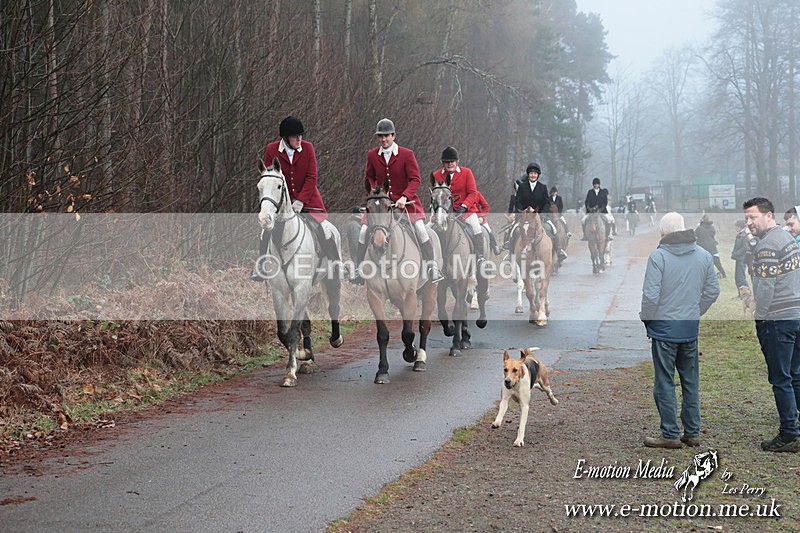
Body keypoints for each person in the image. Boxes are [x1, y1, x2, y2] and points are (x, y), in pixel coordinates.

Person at [640, 212, 720, 449]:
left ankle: (670, 433)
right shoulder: (704, 256)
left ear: (663, 232)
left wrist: (648, 320)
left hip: (664, 331)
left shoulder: (658, 257)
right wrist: (695, 313)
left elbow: (650, 297)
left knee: (664, 382)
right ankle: (692, 432)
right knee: (690, 381)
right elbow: (713, 292)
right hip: (689, 329)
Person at [351, 118, 443, 285]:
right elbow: (369, 177)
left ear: (394, 136)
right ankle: (358, 269)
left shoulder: (407, 154)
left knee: (421, 230)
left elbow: (415, 179)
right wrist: (375, 191)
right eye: (380, 136)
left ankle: (432, 267)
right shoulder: (372, 155)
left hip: (406, 204)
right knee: (364, 231)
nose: (383, 139)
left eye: (386, 136)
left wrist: (404, 196)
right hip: (381, 205)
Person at [251, 116, 341, 281]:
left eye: (301, 135)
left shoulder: (308, 148)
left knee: (325, 229)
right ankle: (262, 267)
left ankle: (336, 266)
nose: (299, 138)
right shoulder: (272, 150)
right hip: (281, 204)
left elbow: (311, 177)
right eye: (295, 136)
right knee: (265, 231)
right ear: (285, 137)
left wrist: (300, 200)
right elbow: (269, 177)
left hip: (308, 200)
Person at [743, 197, 800, 453]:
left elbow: (765, 288)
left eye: (753, 217)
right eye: (746, 218)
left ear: (768, 216)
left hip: (778, 319)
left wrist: (760, 316)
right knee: (796, 374)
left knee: (780, 378)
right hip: (796, 314)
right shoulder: (788, 238)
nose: (749, 222)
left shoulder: (767, 246)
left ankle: (789, 433)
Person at [430, 146, 487, 263]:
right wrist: (433, 212)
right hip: (444, 211)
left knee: (476, 228)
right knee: (427, 229)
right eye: (447, 162)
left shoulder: (467, 173)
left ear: (457, 162)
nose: (450, 164)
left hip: (466, 211)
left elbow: (473, 193)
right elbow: (435, 196)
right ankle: (431, 261)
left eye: (452, 161)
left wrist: (464, 206)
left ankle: (480, 258)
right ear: (443, 163)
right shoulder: (436, 175)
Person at [512, 162, 567, 262]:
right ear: (528, 174)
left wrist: (541, 213)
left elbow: (546, 203)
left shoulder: (543, 187)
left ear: (538, 175)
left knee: (553, 229)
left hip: (539, 216)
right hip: (525, 217)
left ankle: (559, 251)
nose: (533, 175)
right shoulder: (522, 187)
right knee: (514, 231)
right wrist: (523, 210)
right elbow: (517, 201)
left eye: (535, 173)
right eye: (531, 173)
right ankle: (510, 254)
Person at [695, 214, 726, 279]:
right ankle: (723, 274)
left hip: (703, 246)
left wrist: (698, 226)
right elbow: (713, 234)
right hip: (712, 246)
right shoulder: (712, 227)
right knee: (717, 262)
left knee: (703, 262)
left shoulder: (700, 227)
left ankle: (704, 275)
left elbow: (696, 234)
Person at [731, 220, 753, 289]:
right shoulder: (739, 235)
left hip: (742, 258)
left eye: (736, 226)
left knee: (741, 277)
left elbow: (745, 247)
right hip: (738, 258)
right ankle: (740, 294)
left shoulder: (744, 235)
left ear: (740, 227)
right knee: (737, 277)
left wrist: (736, 254)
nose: (735, 228)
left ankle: (747, 293)